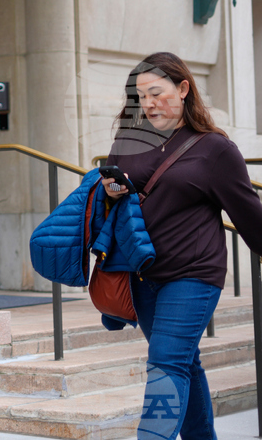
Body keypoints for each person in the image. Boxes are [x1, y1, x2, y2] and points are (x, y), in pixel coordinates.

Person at [103, 52, 262, 440]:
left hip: (193, 276)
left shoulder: (215, 150)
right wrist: (109, 191)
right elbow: (106, 198)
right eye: (141, 97)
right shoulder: (129, 141)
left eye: (157, 93)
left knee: (165, 365)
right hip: (142, 276)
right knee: (184, 364)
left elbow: (250, 216)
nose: (149, 104)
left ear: (184, 89)